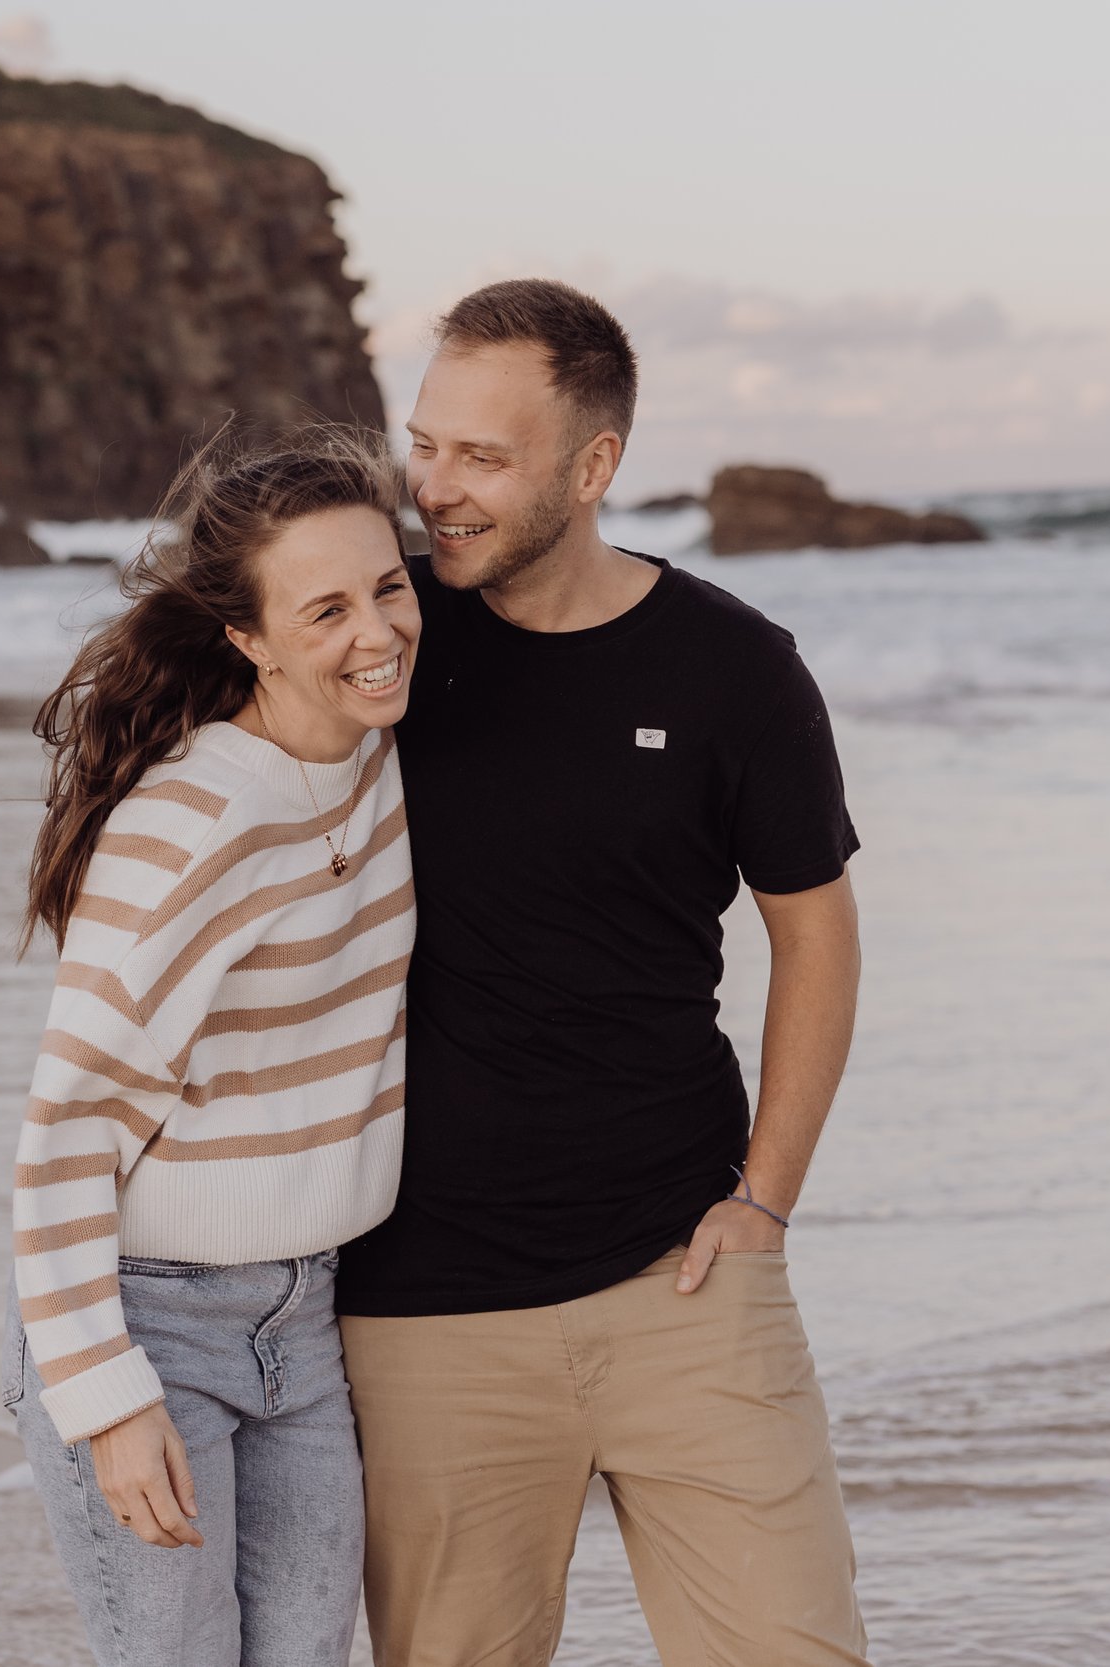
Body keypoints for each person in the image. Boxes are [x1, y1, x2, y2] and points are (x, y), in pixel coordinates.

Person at [336, 279, 876, 1666]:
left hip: (688, 1276)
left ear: (593, 467)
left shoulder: (738, 671)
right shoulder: (386, 642)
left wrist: (766, 1200)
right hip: (425, 1309)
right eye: (428, 443)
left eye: (484, 457)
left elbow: (813, 928)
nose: (438, 489)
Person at [6, 426, 418, 1667]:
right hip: (147, 1322)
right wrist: (105, 1397)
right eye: (327, 609)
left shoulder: (380, 752)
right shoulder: (192, 826)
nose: (378, 631)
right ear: (245, 636)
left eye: (390, 586)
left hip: (306, 1319)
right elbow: (68, 1128)